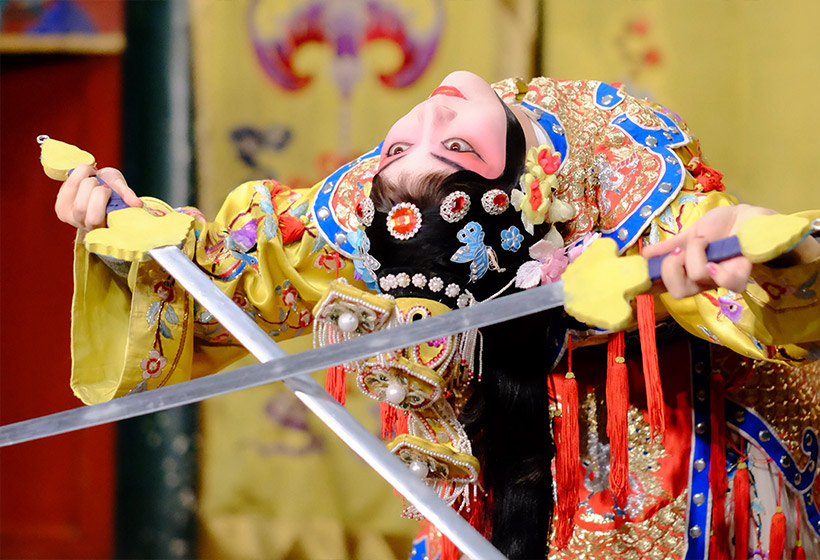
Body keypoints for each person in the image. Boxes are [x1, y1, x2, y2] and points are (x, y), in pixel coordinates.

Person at [55, 71, 820, 559]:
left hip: (681, 469)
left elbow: (759, 298)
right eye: (426, 141)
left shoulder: (639, 208)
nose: (424, 119)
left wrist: (766, 251)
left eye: (435, 143)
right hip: (505, 480)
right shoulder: (380, 213)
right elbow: (239, 273)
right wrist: (137, 234)